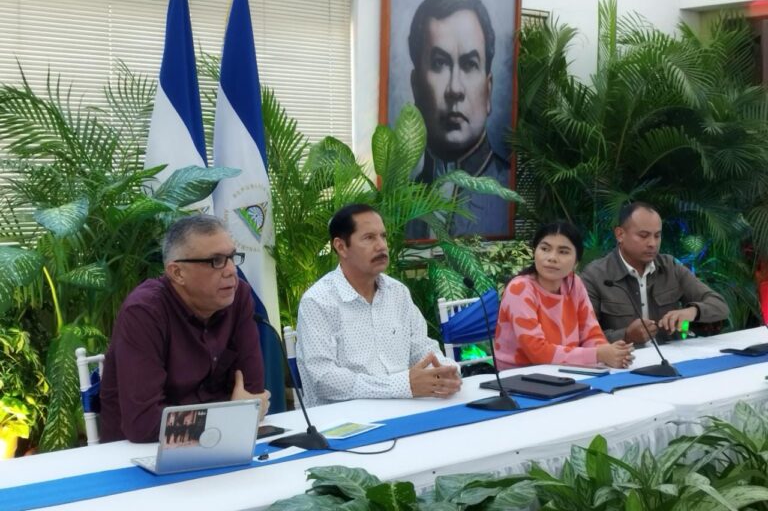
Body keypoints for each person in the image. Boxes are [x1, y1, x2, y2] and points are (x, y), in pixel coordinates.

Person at [100, 214, 270, 443]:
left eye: (231, 257)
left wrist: (235, 414)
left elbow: (252, 393)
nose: (231, 270)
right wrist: (230, 416)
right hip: (137, 457)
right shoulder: (144, 312)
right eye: (216, 261)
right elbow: (144, 424)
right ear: (177, 273)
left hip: (220, 443)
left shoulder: (238, 297)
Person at [296, 204, 462, 407]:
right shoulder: (318, 301)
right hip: (343, 421)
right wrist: (399, 385)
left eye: (383, 236)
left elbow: (423, 348)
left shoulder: (397, 293)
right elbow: (324, 379)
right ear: (341, 247)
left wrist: (446, 370)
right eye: (369, 238)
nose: (381, 246)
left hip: (403, 408)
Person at [408, 0, 511, 237]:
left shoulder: (509, 190)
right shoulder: (400, 201)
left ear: (488, 90)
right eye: (440, 63)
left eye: (469, 65)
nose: (455, 89)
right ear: (416, 87)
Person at [581, 202, 729, 344]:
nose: (652, 243)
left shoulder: (670, 267)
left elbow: (720, 306)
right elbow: (584, 337)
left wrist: (691, 312)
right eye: (643, 236)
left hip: (674, 359)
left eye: (657, 236)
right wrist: (626, 335)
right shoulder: (595, 276)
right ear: (620, 234)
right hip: (624, 362)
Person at [494, 221, 634, 369]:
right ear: (534, 251)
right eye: (545, 249)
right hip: (519, 375)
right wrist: (598, 354)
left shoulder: (574, 283)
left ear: (576, 262)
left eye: (563, 251)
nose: (552, 257)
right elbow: (537, 352)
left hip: (566, 370)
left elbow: (591, 334)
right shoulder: (519, 289)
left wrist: (611, 354)